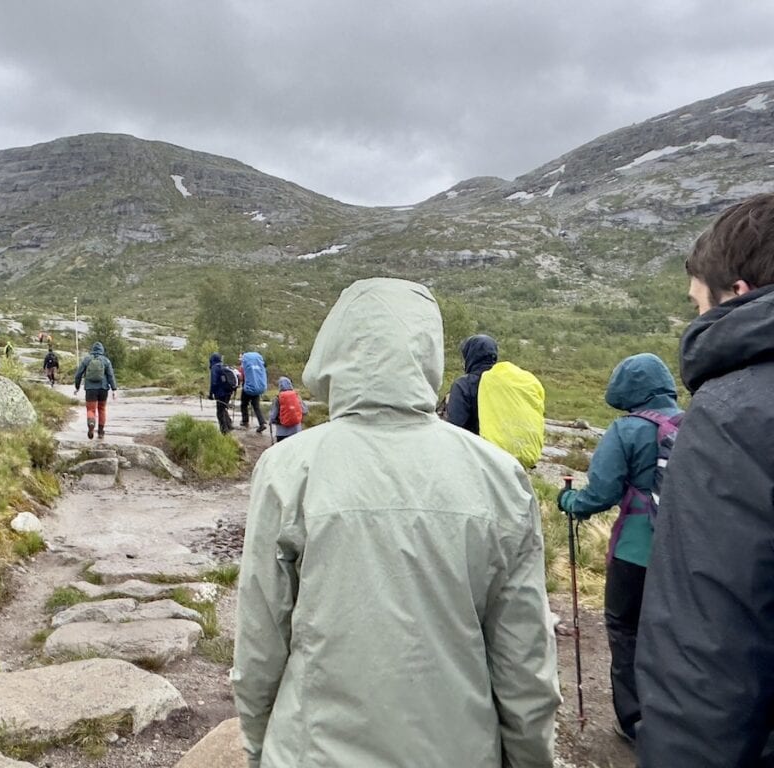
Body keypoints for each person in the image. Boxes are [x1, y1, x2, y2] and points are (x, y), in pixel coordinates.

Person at [232, 278, 559, 768]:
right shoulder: (500, 478)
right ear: (427, 352)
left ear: (336, 348)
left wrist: (259, 747)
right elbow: (524, 659)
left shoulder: (288, 469)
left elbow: (260, 641)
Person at [635, 193, 774, 767]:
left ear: (737, 293)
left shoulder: (734, 413)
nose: (698, 321)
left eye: (699, 305)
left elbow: (706, 661)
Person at [556, 353, 682, 744]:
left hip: (635, 550)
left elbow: (601, 493)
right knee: (673, 632)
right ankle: (677, 714)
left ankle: (633, 720)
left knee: (625, 628)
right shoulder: (696, 422)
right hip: (687, 551)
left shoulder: (626, 429)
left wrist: (569, 502)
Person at [444, 334, 498, 433]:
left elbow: (454, 427)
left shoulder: (464, 385)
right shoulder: (506, 381)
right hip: (505, 446)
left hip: (475, 446)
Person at [74, 341, 117, 439]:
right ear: (102, 350)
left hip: (90, 389)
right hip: (103, 389)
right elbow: (111, 376)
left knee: (90, 409)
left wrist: (77, 387)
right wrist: (114, 389)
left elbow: (78, 375)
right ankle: (101, 432)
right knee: (102, 409)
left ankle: (91, 424)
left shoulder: (87, 359)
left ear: (92, 350)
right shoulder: (106, 360)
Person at [268, 376, 308, 442]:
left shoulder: (278, 398)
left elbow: (272, 416)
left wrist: (271, 421)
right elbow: (305, 411)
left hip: (282, 433)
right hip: (296, 431)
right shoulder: (296, 396)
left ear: (279, 386)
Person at [240, 350, 268, 433]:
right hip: (257, 388)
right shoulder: (259, 365)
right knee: (256, 407)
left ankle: (245, 421)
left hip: (248, 388)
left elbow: (242, 377)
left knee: (244, 404)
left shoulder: (245, 366)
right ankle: (262, 423)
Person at [208, 352, 235, 434]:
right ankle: (229, 425)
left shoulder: (215, 368)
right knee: (223, 408)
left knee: (220, 412)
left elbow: (214, 382)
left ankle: (224, 431)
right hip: (229, 391)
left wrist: (211, 394)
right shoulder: (224, 366)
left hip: (221, 393)